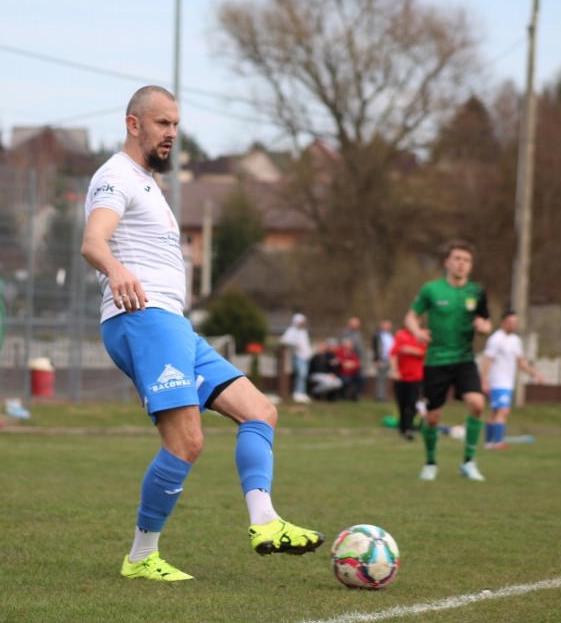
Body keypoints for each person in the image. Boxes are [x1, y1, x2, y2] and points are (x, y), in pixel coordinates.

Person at [81, 85, 323, 582]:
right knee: (186, 440)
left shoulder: (150, 185)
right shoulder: (115, 176)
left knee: (260, 411)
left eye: (175, 124)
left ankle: (265, 521)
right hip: (145, 320)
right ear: (133, 124)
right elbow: (93, 241)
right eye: (162, 123)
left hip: (173, 326)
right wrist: (117, 270)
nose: (171, 133)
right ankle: (141, 557)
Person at [404, 241, 492, 482]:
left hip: (464, 359)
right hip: (436, 361)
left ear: (470, 266)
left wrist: (483, 328)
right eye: (457, 258)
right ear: (447, 262)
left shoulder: (476, 292)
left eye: (466, 260)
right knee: (432, 417)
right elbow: (411, 316)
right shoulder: (431, 290)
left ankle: (469, 462)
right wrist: (417, 332)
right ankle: (430, 463)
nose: (461, 263)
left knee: (477, 404)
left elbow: (486, 323)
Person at [481, 310, 546, 449]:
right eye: (510, 322)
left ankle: (489, 443)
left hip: (508, 383)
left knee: (495, 412)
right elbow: (487, 359)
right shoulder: (495, 339)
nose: (513, 325)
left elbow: (521, 362)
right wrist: (484, 380)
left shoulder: (516, 340)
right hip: (497, 382)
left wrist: (535, 374)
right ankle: (497, 442)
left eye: (515, 322)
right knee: (503, 411)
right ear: (502, 322)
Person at [389, 325, 427, 440]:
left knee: (412, 403)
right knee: (402, 403)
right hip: (401, 376)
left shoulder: (422, 334)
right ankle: (402, 427)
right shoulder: (400, 335)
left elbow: (425, 352)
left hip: (416, 377)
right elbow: (393, 353)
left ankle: (409, 428)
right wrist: (395, 370)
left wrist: (411, 350)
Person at [279, 313, 312, 403]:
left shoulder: (304, 332)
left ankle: (302, 392)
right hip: (298, 356)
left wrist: (309, 352)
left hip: (305, 357)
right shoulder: (291, 330)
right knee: (301, 374)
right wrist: (294, 344)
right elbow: (283, 340)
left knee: (304, 375)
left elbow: (306, 344)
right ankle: (297, 393)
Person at [340, 317, 367, 398]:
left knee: (362, 378)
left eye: (357, 325)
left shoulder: (358, 334)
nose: (355, 326)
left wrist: (360, 361)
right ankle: (344, 394)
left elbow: (360, 349)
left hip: (356, 360)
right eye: (354, 324)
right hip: (346, 363)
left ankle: (355, 395)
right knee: (346, 379)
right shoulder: (345, 333)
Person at [371, 319, 395, 403]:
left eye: (388, 325)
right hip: (381, 359)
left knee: (385, 378)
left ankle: (384, 395)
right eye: (385, 325)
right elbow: (375, 348)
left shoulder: (391, 335)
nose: (387, 327)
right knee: (380, 378)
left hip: (389, 359)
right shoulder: (377, 335)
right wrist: (377, 360)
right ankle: (379, 396)